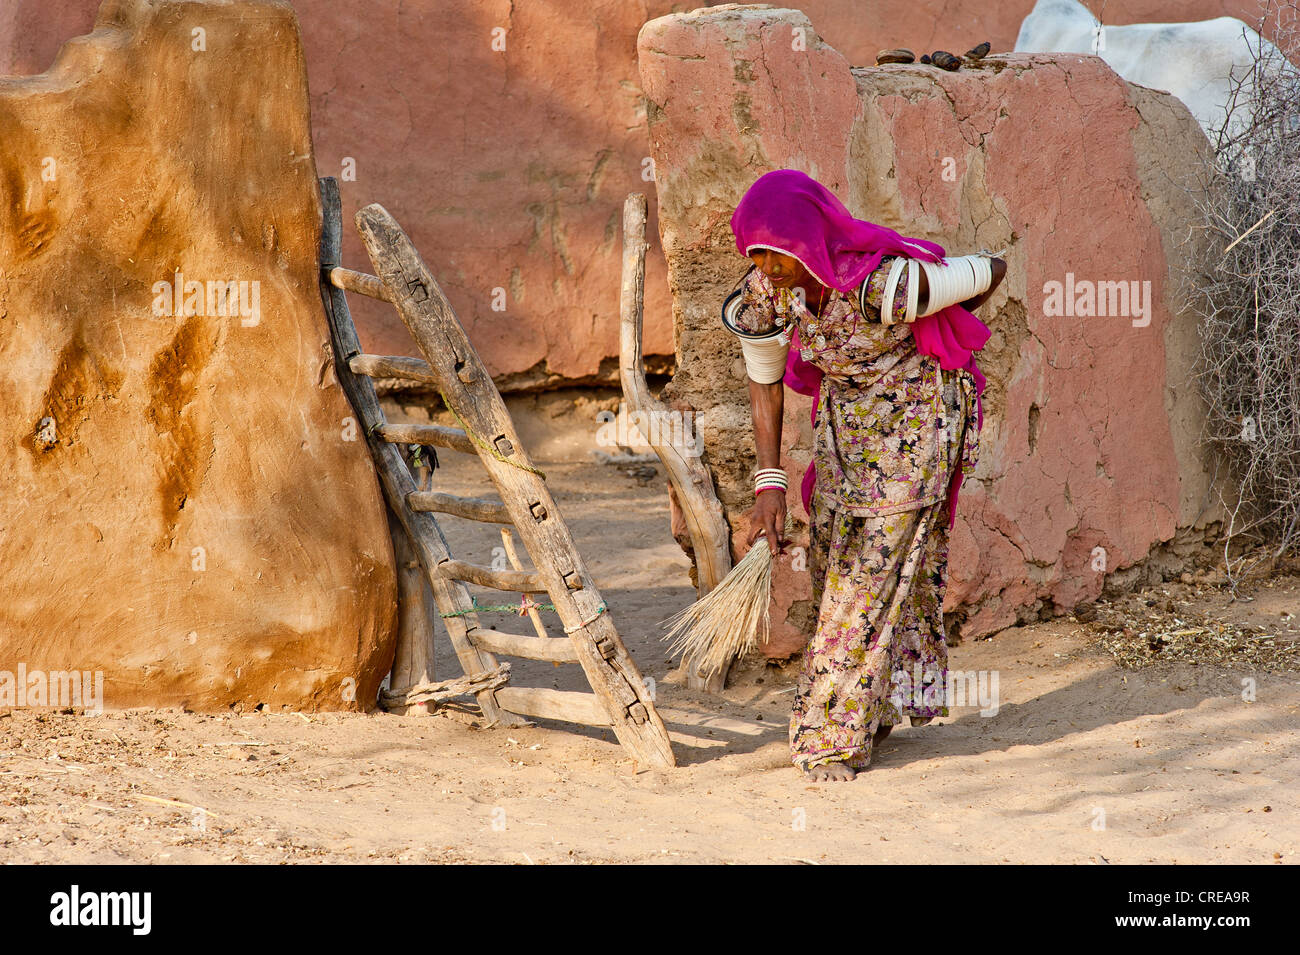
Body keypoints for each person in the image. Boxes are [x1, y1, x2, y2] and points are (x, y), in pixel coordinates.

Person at [722, 169, 1006, 782]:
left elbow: (991, 269)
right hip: (847, 429)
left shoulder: (884, 284)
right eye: (757, 254)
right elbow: (764, 380)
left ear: (808, 241)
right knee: (833, 566)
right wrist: (768, 483)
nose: (767, 267)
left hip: (916, 430)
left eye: (777, 253)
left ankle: (830, 741)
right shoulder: (767, 292)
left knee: (863, 585)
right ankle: (869, 708)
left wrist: (939, 317)